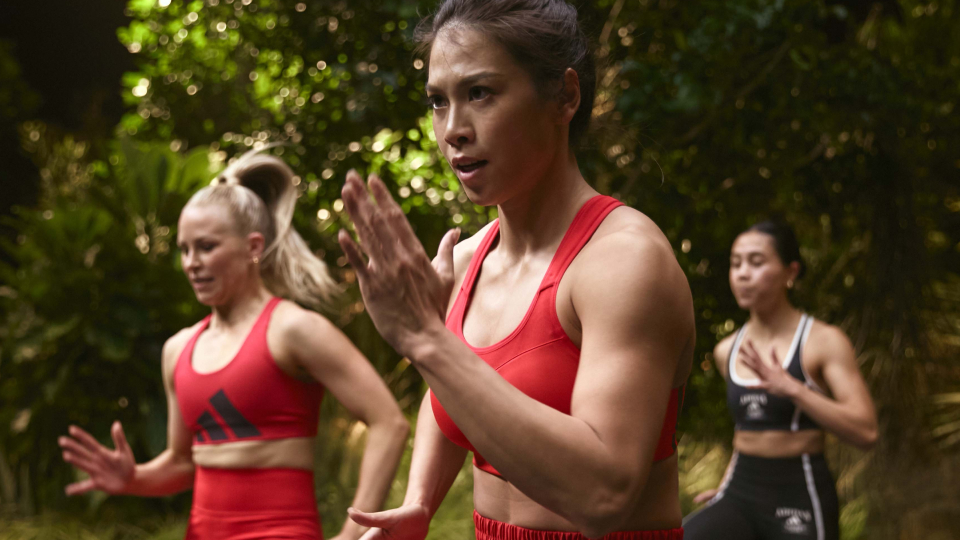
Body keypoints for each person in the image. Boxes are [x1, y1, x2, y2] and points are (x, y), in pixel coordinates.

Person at [335, 1, 695, 539]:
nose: (452, 129)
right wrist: (420, 502)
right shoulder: (465, 261)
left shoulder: (623, 262)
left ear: (564, 96)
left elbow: (604, 496)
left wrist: (428, 341)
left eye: (480, 93)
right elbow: (454, 390)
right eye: (438, 101)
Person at [57, 150, 410, 540]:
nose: (192, 262)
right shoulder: (178, 350)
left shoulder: (293, 329)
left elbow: (388, 422)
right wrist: (132, 478)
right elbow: (182, 463)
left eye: (206, 247)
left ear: (253, 247)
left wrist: (351, 535)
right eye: (184, 249)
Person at [683, 221, 878, 540]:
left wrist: (793, 389)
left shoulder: (823, 341)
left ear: (791, 272)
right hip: (741, 491)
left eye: (756, 262)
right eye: (736, 263)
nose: (743, 273)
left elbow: (866, 431)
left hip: (798, 495)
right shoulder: (726, 350)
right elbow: (747, 428)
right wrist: (727, 483)